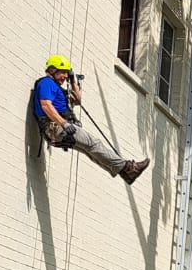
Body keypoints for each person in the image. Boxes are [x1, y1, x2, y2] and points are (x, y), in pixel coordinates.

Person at [32, 56, 150, 185]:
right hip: (56, 127)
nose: (65, 76)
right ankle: (128, 168)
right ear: (53, 70)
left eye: (67, 73)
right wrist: (64, 123)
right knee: (94, 144)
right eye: (62, 72)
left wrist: (73, 80)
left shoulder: (58, 88)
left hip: (60, 128)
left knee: (91, 151)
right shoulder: (46, 83)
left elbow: (78, 100)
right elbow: (46, 105)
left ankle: (125, 173)